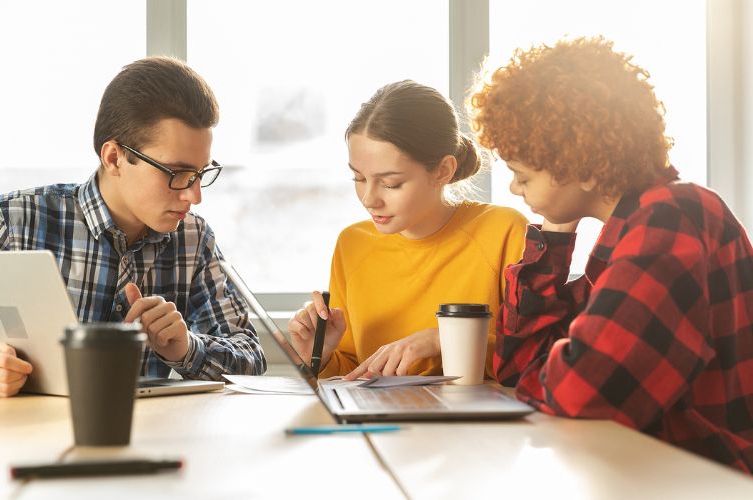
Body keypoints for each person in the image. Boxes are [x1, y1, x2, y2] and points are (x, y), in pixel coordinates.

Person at [469, 36, 753, 472]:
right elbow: (518, 366)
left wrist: (550, 373)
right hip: (659, 473)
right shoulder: (628, 232)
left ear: (579, 164)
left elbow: (584, 395)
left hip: (707, 480)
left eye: (522, 175)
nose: (513, 188)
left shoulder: (672, 219)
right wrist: (556, 231)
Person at [0, 56, 266, 397]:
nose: (194, 196)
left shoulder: (194, 239)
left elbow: (251, 358)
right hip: (24, 441)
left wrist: (185, 348)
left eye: (200, 174)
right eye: (177, 173)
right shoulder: (13, 221)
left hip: (148, 442)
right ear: (114, 157)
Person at [288, 80, 528, 380]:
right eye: (358, 178)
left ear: (443, 171)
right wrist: (320, 356)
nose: (368, 198)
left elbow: (534, 358)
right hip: (381, 421)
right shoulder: (352, 244)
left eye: (390, 183)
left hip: (474, 423)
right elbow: (355, 373)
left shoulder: (503, 231)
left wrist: (443, 341)